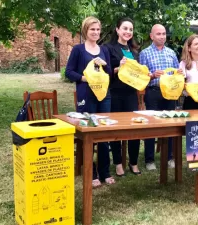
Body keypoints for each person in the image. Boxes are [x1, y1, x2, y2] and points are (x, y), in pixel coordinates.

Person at [65, 16, 115, 187]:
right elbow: (69, 72)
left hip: (104, 95)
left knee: (103, 133)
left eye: (97, 29)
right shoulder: (78, 50)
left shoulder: (104, 50)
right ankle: (92, 172)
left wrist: (105, 65)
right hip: (86, 95)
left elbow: (109, 74)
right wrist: (84, 78)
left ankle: (105, 172)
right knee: (89, 133)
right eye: (92, 29)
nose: (95, 32)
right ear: (85, 30)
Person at [139, 24, 183, 170]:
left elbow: (177, 73)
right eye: (158, 34)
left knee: (170, 124)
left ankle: (170, 157)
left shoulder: (171, 52)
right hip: (153, 92)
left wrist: (180, 74)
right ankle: (149, 160)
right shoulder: (144, 53)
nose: (162, 36)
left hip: (170, 93)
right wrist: (151, 75)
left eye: (164, 34)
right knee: (152, 126)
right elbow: (140, 77)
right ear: (152, 36)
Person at [104, 18, 141, 176]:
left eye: (131, 29)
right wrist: (118, 67)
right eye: (125, 28)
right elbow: (105, 72)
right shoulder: (108, 48)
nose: (128, 32)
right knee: (116, 129)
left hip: (131, 94)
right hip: (115, 93)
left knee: (134, 129)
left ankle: (133, 162)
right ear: (117, 30)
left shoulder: (134, 51)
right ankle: (118, 163)